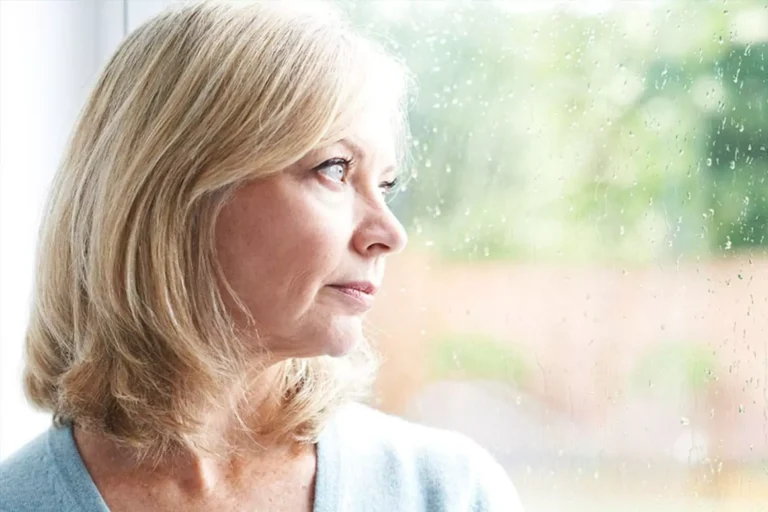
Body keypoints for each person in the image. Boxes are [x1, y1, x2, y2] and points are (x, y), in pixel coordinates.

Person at [0, 1, 524, 510]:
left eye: (385, 184)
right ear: (174, 192)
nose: (389, 232)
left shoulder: (447, 492)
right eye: (336, 169)